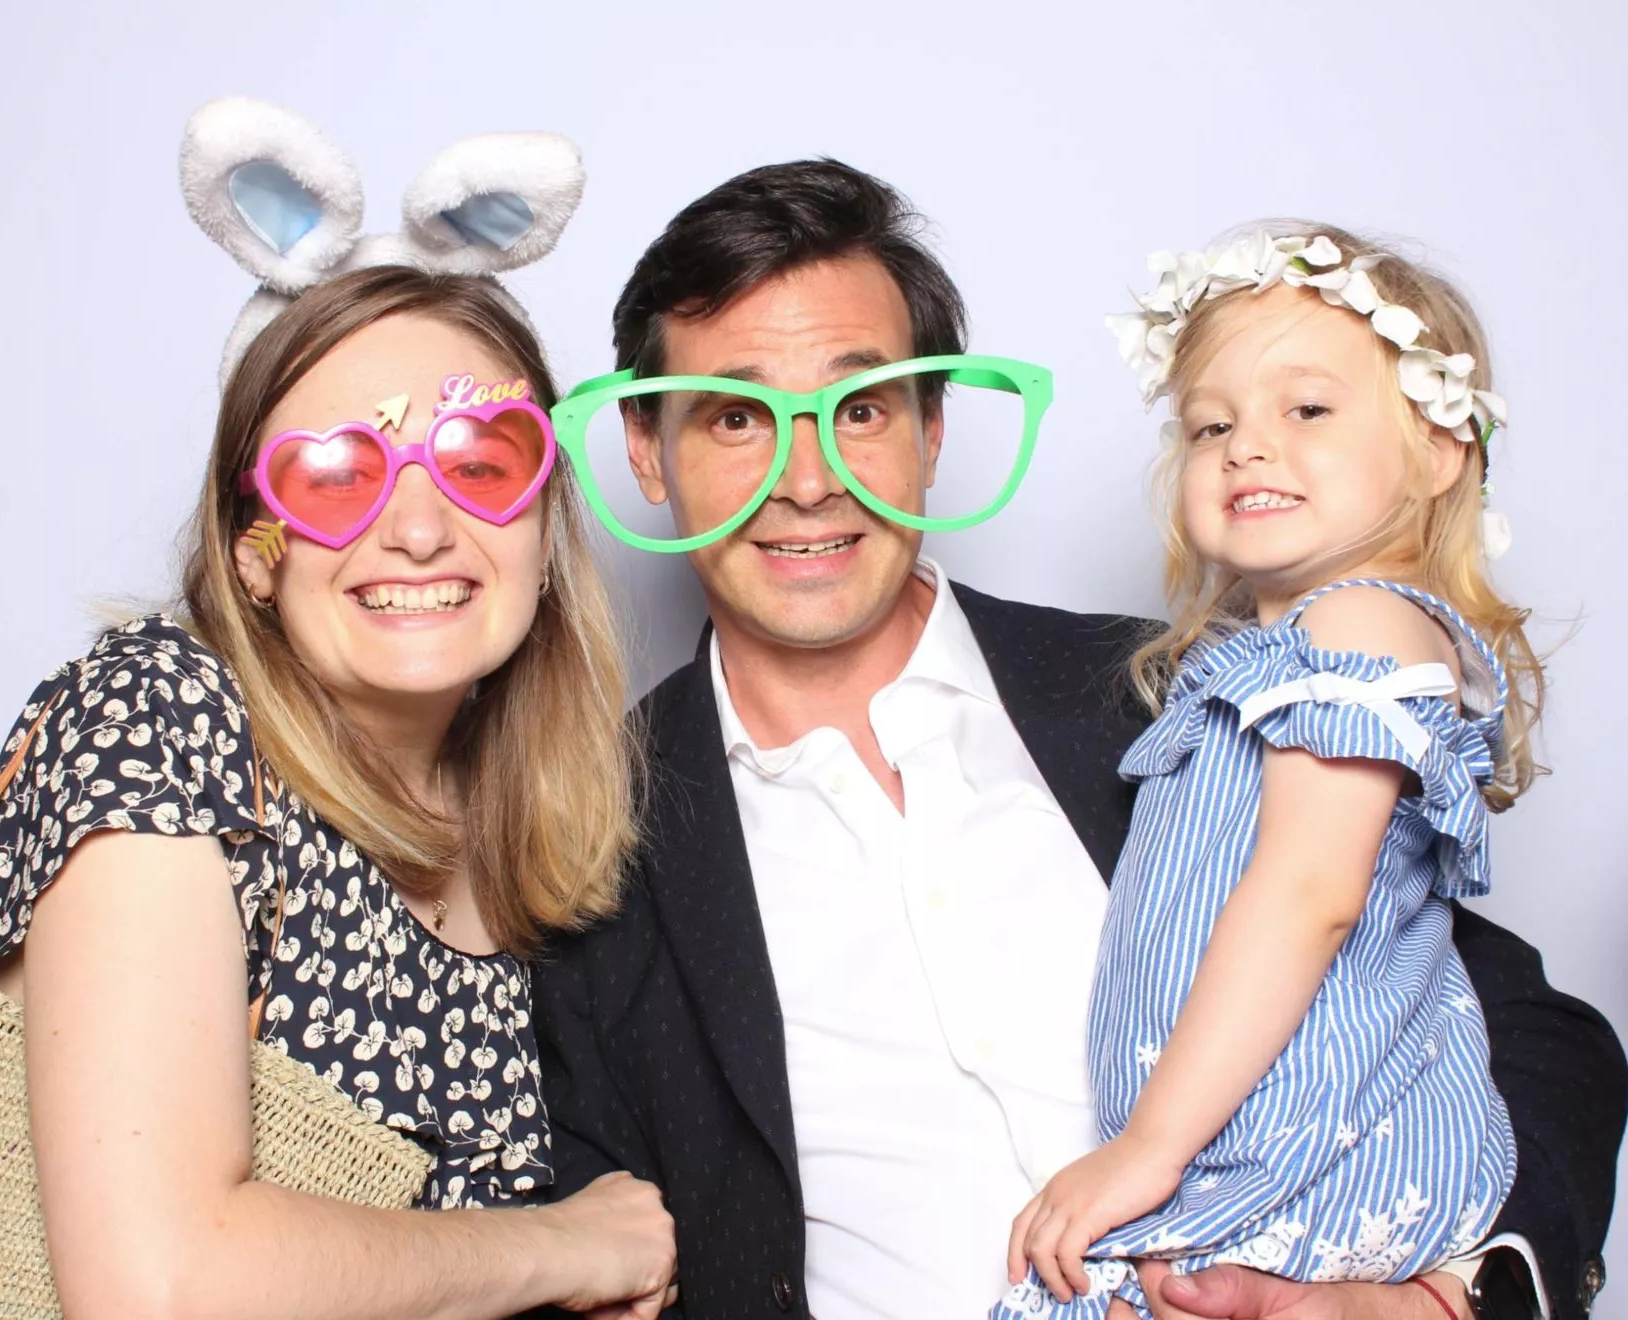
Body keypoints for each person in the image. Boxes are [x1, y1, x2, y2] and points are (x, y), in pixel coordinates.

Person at [532, 162, 1626, 1320]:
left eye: (861, 409)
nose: (810, 481)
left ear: (931, 429)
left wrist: (1438, 1305)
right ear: (647, 451)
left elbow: (1531, 1034)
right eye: (737, 417)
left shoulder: (1180, 697)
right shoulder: (583, 843)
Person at [0, 263, 678, 1320]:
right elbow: (160, 1289)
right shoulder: (164, 713)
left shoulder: (535, 835)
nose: (418, 530)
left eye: (481, 464)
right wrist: (563, 1245)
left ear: (543, 529)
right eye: (334, 475)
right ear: (253, 552)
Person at [997, 225, 1532, 1317]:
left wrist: (1148, 1147)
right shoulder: (1271, 654)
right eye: (1213, 424)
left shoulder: (1362, 626)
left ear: (1438, 449)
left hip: (1316, 1141)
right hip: (1245, 1121)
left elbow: (1308, 895)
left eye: (1308, 410)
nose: (1247, 448)